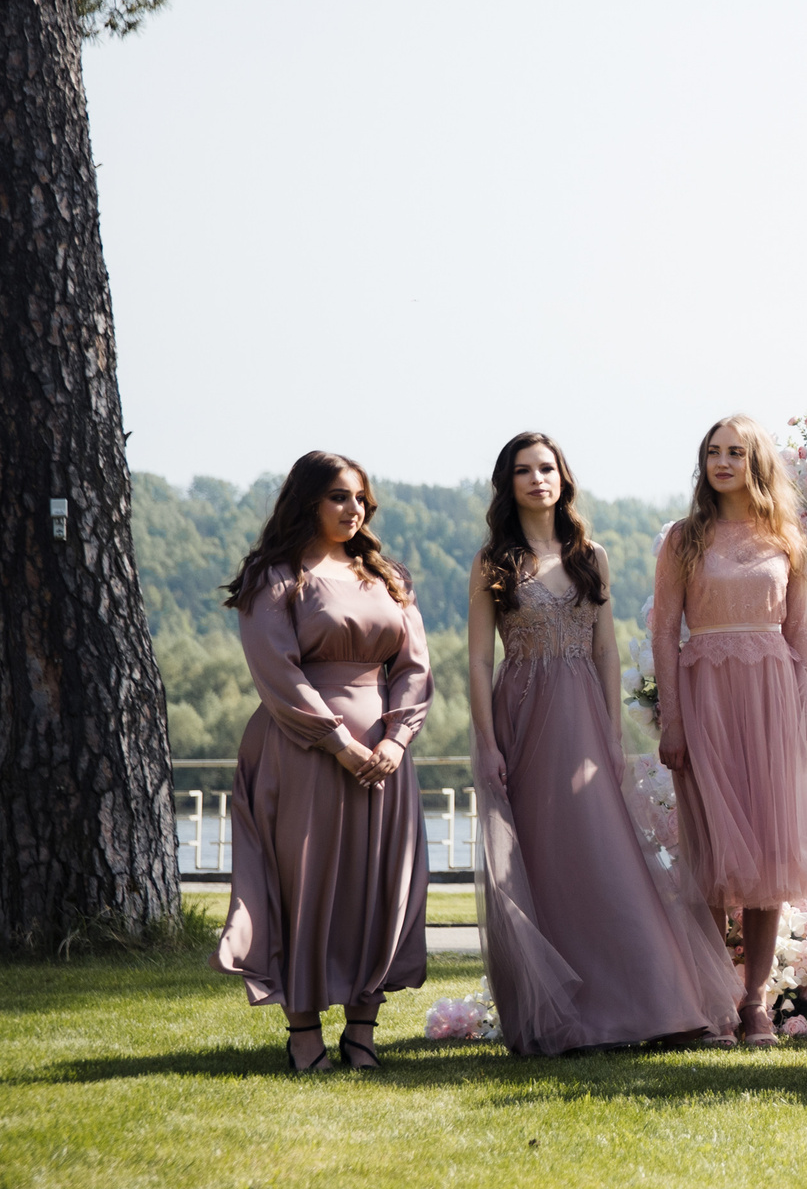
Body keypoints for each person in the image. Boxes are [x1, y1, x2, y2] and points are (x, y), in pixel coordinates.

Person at [466, 432, 737, 1055]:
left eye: (548, 468)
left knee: (606, 854)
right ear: (508, 485)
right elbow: (480, 660)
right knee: (542, 860)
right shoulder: (493, 563)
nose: (538, 479)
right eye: (524, 471)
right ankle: (569, 1016)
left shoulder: (591, 554)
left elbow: (607, 648)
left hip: (584, 718)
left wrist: (613, 736)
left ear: (564, 478)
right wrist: (486, 742)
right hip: (523, 716)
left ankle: (657, 1005)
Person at [213, 451, 431, 1072]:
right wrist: (339, 742)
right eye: (339, 496)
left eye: (360, 498)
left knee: (378, 883)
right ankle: (303, 1033)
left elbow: (414, 667)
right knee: (302, 885)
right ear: (308, 500)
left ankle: (363, 1033)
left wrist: (394, 740)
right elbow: (276, 671)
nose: (353, 509)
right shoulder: (275, 576)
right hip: (301, 752)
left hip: (384, 762)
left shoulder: (386, 576)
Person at [652, 414, 807, 1048]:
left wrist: (806, 721)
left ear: (755, 461)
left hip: (771, 701)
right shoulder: (683, 538)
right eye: (713, 452)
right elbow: (663, 631)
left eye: (735, 452)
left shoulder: (785, 536)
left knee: (767, 852)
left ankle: (755, 1001)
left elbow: (799, 634)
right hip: (706, 696)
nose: (723, 462)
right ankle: (711, 1002)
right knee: (710, 855)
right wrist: (673, 720)